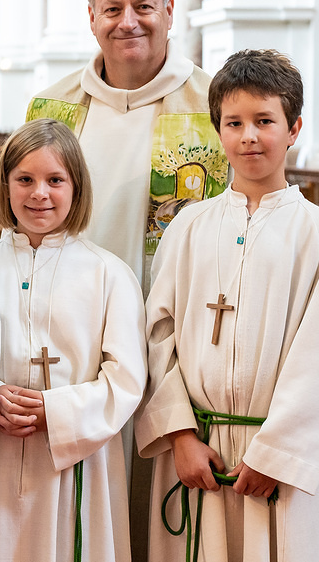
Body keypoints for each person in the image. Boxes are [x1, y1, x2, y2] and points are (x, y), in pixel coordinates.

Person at [135, 49, 319, 561]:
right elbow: (159, 332)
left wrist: (276, 452)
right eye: (234, 123)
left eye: (265, 121)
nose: (249, 136)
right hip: (198, 452)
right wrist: (178, 434)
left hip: (279, 461)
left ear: (294, 127)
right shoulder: (188, 227)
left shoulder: (313, 233)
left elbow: (316, 360)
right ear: (219, 131)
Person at [0, 119, 147, 561]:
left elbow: (125, 380)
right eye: (24, 180)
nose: (39, 194)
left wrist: (56, 411)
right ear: (4, 185)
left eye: (55, 180)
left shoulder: (108, 274)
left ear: (77, 187)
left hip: (76, 461)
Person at [26, 0, 227, 286]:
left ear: (169, 11)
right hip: (67, 310)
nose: (128, 22)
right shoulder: (51, 107)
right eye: (112, 10)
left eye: (144, 7)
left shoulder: (216, 106)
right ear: (92, 18)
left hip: (175, 313)